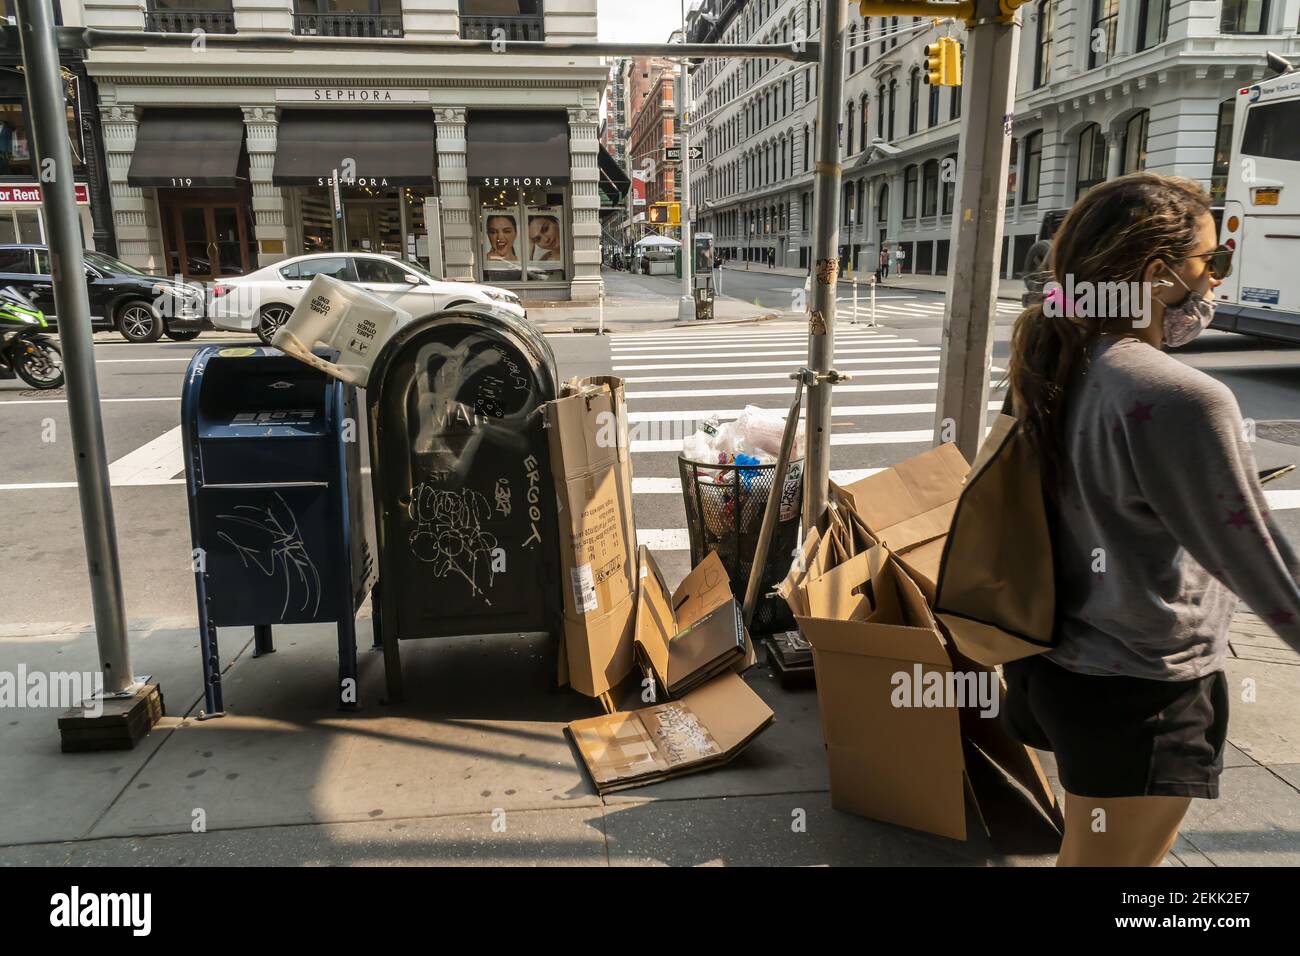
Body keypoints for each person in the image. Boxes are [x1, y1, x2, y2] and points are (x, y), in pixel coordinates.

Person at [1002, 171, 1300, 866]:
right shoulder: (1180, 395)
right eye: (1212, 261)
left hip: (1058, 669)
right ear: (1160, 272)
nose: (1219, 281)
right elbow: (1259, 562)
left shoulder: (1059, 362)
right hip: (1143, 693)